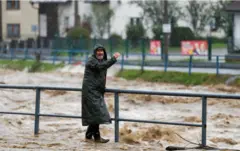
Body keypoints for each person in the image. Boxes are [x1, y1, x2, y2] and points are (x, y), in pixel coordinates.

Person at [81, 44, 120, 143]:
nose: (100, 52)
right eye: (98, 51)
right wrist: (113, 59)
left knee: (95, 114)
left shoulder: (102, 61)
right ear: (95, 52)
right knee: (97, 114)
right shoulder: (92, 61)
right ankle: (97, 138)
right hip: (90, 92)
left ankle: (89, 136)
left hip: (97, 92)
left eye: (101, 51)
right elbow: (100, 67)